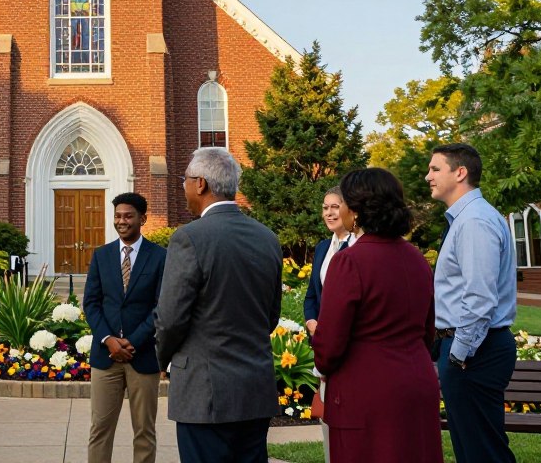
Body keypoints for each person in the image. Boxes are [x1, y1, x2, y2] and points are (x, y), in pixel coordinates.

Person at [155, 148, 282, 463]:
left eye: (185, 180)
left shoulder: (189, 238)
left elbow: (170, 319)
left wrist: (161, 358)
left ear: (200, 184)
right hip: (254, 390)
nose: (182, 188)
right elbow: (271, 316)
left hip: (205, 395)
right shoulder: (267, 238)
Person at [312, 168, 442, 463]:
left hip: (367, 392)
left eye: (343, 202)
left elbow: (329, 346)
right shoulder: (417, 259)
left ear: (356, 211)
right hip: (417, 382)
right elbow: (427, 329)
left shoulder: (348, 262)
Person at [427, 143, 517, 463]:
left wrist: (459, 353)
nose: (428, 176)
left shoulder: (474, 221)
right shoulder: (465, 219)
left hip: (477, 352)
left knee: (483, 452)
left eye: (436, 169)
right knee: (472, 449)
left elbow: (479, 297)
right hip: (471, 351)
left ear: (460, 172)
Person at [83, 192, 167, 463]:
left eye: (128, 216)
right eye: (118, 216)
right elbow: (92, 303)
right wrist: (108, 339)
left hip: (142, 356)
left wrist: (134, 340)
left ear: (142, 218)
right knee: (100, 429)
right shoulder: (102, 255)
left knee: (144, 431)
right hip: (105, 357)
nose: (122, 221)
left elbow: (161, 306)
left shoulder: (160, 257)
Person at [303, 186, 355, 463]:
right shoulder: (323, 248)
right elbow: (312, 294)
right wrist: (311, 321)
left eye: (335, 206)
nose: (329, 212)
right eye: (325, 207)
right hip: (322, 341)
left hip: (346, 347)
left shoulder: (356, 247)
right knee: (326, 417)